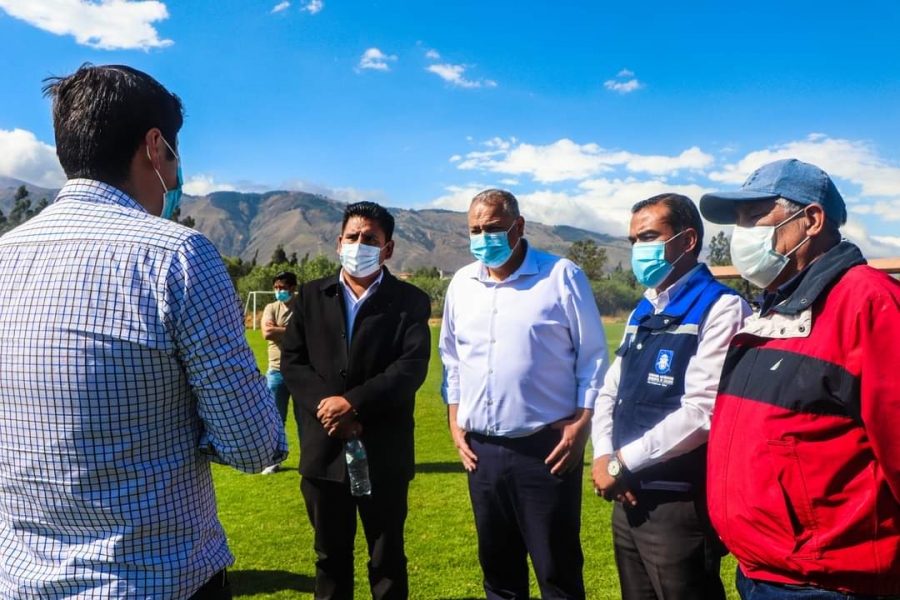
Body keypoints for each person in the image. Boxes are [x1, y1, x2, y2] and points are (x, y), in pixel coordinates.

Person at [0, 64, 287, 598]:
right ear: (155, 147)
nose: (176, 180)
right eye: (176, 157)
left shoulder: (5, 257)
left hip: (22, 580)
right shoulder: (176, 255)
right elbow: (252, 446)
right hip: (155, 578)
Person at [699, 158, 900, 599]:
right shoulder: (775, 306)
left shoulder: (869, 302)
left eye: (754, 217)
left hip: (830, 585)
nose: (741, 234)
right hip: (761, 573)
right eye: (737, 222)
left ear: (811, 220)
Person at [439, 189, 609, 600]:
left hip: (546, 452)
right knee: (498, 575)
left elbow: (593, 358)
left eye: (493, 228)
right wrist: (454, 420)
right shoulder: (462, 283)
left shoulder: (560, 275)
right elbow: (452, 359)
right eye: (475, 230)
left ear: (519, 227)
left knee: (557, 573)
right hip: (481, 453)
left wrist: (583, 424)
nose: (483, 238)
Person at [590, 193, 750, 600]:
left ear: (688, 239)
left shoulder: (721, 307)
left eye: (648, 237)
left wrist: (621, 461)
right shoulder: (643, 309)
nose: (638, 250)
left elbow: (702, 412)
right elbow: (612, 389)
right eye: (632, 241)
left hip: (678, 499)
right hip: (627, 493)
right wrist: (605, 457)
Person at [280, 201, 431, 600]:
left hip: (384, 451)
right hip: (323, 452)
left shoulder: (410, 302)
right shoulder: (311, 297)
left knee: (387, 559)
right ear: (338, 242)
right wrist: (329, 407)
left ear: (388, 249)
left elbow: (410, 367)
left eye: (370, 239)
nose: (360, 244)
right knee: (329, 557)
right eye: (353, 237)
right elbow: (294, 363)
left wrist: (354, 404)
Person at [261, 269, 299, 474]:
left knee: (305, 418)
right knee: (275, 418)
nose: (279, 291)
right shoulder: (270, 308)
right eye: (276, 288)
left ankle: (311, 459)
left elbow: (309, 333)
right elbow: (267, 333)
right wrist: (294, 332)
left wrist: (280, 331)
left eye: (283, 288)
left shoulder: (303, 307)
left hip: (301, 370)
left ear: (293, 288)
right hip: (276, 370)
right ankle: (273, 460)